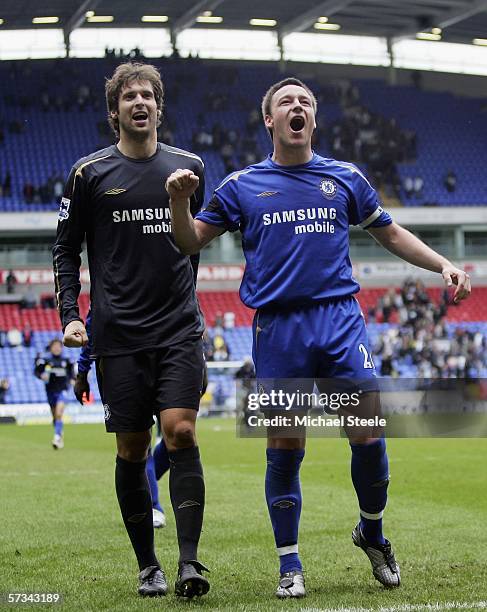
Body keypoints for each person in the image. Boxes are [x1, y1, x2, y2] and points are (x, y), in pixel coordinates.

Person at [166, 77, 472, 598]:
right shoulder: (241, 185)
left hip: (339, 320)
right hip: (277, 327)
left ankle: (372, 534)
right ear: (270, 120)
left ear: (314, 118)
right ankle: (290, 564)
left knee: (369, 435)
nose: (297, 107)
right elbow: (188, 239)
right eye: (286, 102)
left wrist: (442, 262)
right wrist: (177, 203)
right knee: (285, 447)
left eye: (305, 101)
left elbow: (391, 233)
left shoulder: (345, 177)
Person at [52, 62, 209, 599]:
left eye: (148, 95)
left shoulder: (189, 167)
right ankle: (148, 565)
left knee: (181, 432)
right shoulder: (89, 174)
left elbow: (192, 244)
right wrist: (71, 314)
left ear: (159, 108)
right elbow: (65, 249)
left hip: (178, 330)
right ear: (114, 110)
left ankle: (189, 563)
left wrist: (186, 307)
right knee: (132, 448)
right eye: (129, 97)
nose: (139, 102)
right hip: (117, 336)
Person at [74, 308, 170, 529]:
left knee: (178, 433)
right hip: (125, 363)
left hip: (166, 356)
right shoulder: (111, 288)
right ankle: (153, 505)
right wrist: (82, 372)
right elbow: (92, 327)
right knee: (140, 442)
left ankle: (148, 481)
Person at [34, 339, 75, 449]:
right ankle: (59, 434)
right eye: (54, 346)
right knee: (55, 416)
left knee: (58, 413)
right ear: (51, 348)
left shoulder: (66, 361)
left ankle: (57, 437)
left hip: (63, 390)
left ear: (61, 348)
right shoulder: (46, 360)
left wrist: (73, 379)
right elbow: (37, 371)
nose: (57, 348)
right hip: (50, 391)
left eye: (58, 346)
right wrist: (41, 376)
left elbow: (72, 373)